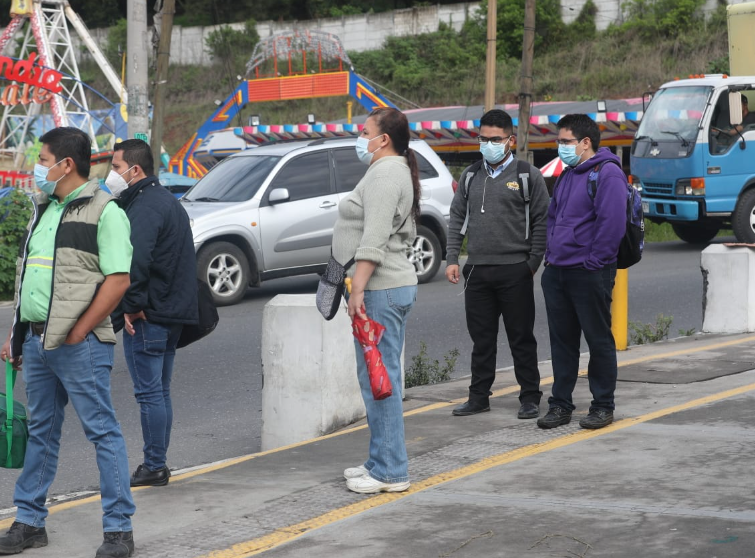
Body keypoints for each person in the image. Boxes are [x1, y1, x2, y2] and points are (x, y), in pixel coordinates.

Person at [0, 127, 136, 557]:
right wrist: (17, 335)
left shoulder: (105, 212)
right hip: (39, 344)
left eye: (42, 159)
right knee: (41, 432)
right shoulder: (45, 209)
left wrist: (79, 330)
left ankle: (119, 531)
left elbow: (117, 281)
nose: (37, 168)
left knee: (103, 433)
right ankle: (29, 522)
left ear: (66, 165)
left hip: (81, 345)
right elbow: (32, 278)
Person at [332, 107, 419, 494]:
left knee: (380, 381)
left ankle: (391, 472)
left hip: (380, 289)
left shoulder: (386, 174)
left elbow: (374, 240)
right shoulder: (390, 170)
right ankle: (380, 459)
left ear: (383, 139)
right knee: (376, 379)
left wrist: (358, 289)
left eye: (364, 131)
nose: (359, 136)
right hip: (384, 287)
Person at [445, 109, 549, 420]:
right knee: (482, 340)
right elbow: (456, 219)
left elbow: (542, 221)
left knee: (521, 338)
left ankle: (530, 397)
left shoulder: (527, 176)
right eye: (483, 138)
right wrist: (452, 258)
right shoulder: (470, 176)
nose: (488, 144)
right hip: (477, 271)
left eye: (495, 139)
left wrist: (531, 263)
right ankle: (479, 397)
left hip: (515, 270)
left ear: (510, 140)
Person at [108, 139, 198, 488]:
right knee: (160, 391)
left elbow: (136, 262)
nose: (112, 175)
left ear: (135, 169)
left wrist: (131, 307)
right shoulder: (167, 201)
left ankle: (154, 465)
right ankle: (157, 462)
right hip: (170, 312)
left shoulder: (144, 206)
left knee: (150, 394)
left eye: (116, 168)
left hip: (150, 315)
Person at [538, 114, 626, 431]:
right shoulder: (568, 174)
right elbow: (553, 218)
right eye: (559, 141)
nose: (560, 147)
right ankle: (560, 405)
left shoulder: (607, 174)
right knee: (562, 344)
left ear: (585, 142)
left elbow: (611, 224)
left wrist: (593, 263)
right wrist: (551, 256)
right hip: (558, 270)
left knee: (598, 340)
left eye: (565, 141)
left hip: (590, 271)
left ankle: (603, 405)